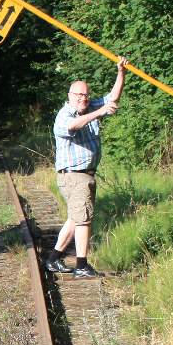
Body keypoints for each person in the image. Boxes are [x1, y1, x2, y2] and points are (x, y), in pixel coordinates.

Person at [46, 57, 127, 278]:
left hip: (85, 175)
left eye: (85, 95)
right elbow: (72, 126)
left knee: (75, 218)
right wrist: (99, 113)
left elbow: (112, 98)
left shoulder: (89, 107)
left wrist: (121, 72)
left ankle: (53, 260)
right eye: (78, 95)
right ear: (70, 96)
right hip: (74, 176)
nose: (83, 98)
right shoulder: (65, 115)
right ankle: (81, 265)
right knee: (83, 219)